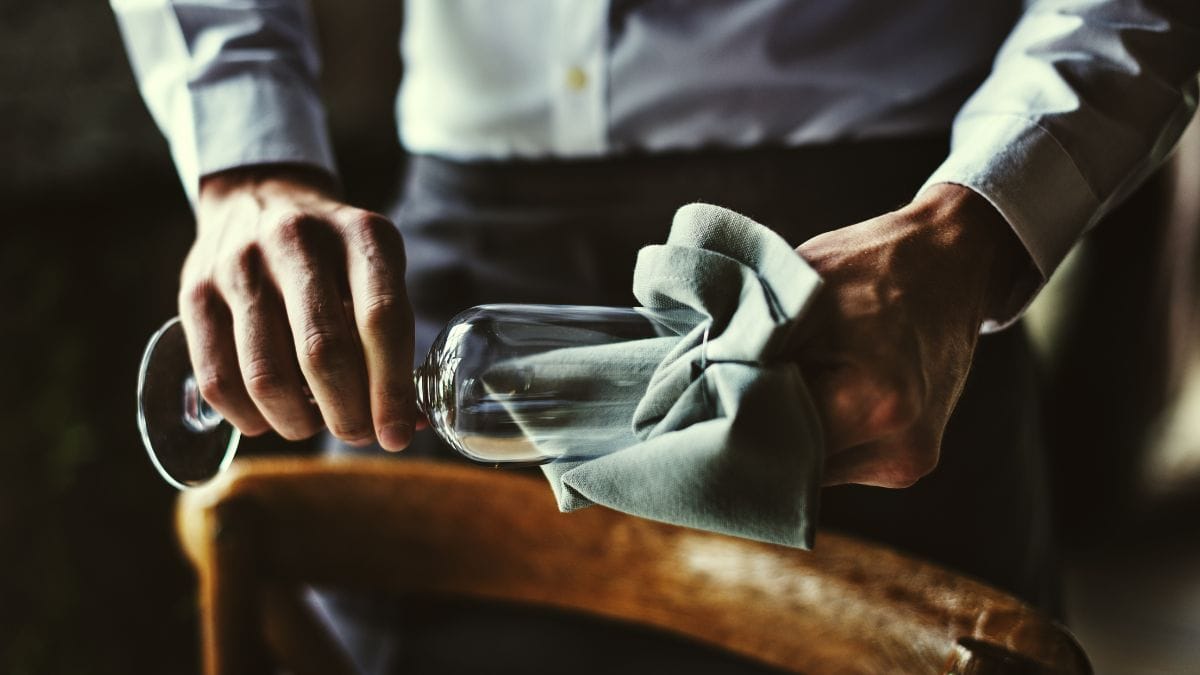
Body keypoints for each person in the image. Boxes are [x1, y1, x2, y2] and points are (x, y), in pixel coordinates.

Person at [113, 0, 1200, 670]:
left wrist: (970, 234)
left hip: (864, 263)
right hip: (449, 245)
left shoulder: (920, 266)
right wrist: (248, 162)